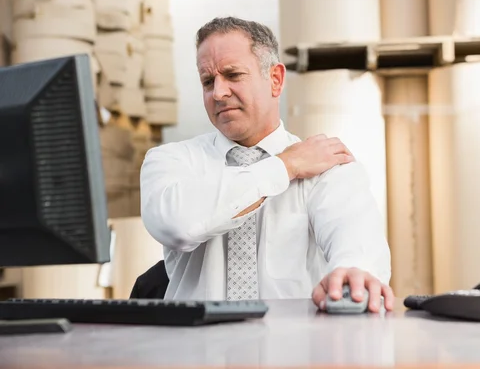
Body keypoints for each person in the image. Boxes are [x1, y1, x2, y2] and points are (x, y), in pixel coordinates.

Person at [140, 16, 394, 313]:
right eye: (208, 81)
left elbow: (356, 243)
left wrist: (353, 273)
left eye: (233, 75)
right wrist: (285, 166)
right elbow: (178, 224)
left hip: (293, 355)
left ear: (275, 80)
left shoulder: (328, 164)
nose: (218, 93)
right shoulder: (172, 160)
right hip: (197, 354)